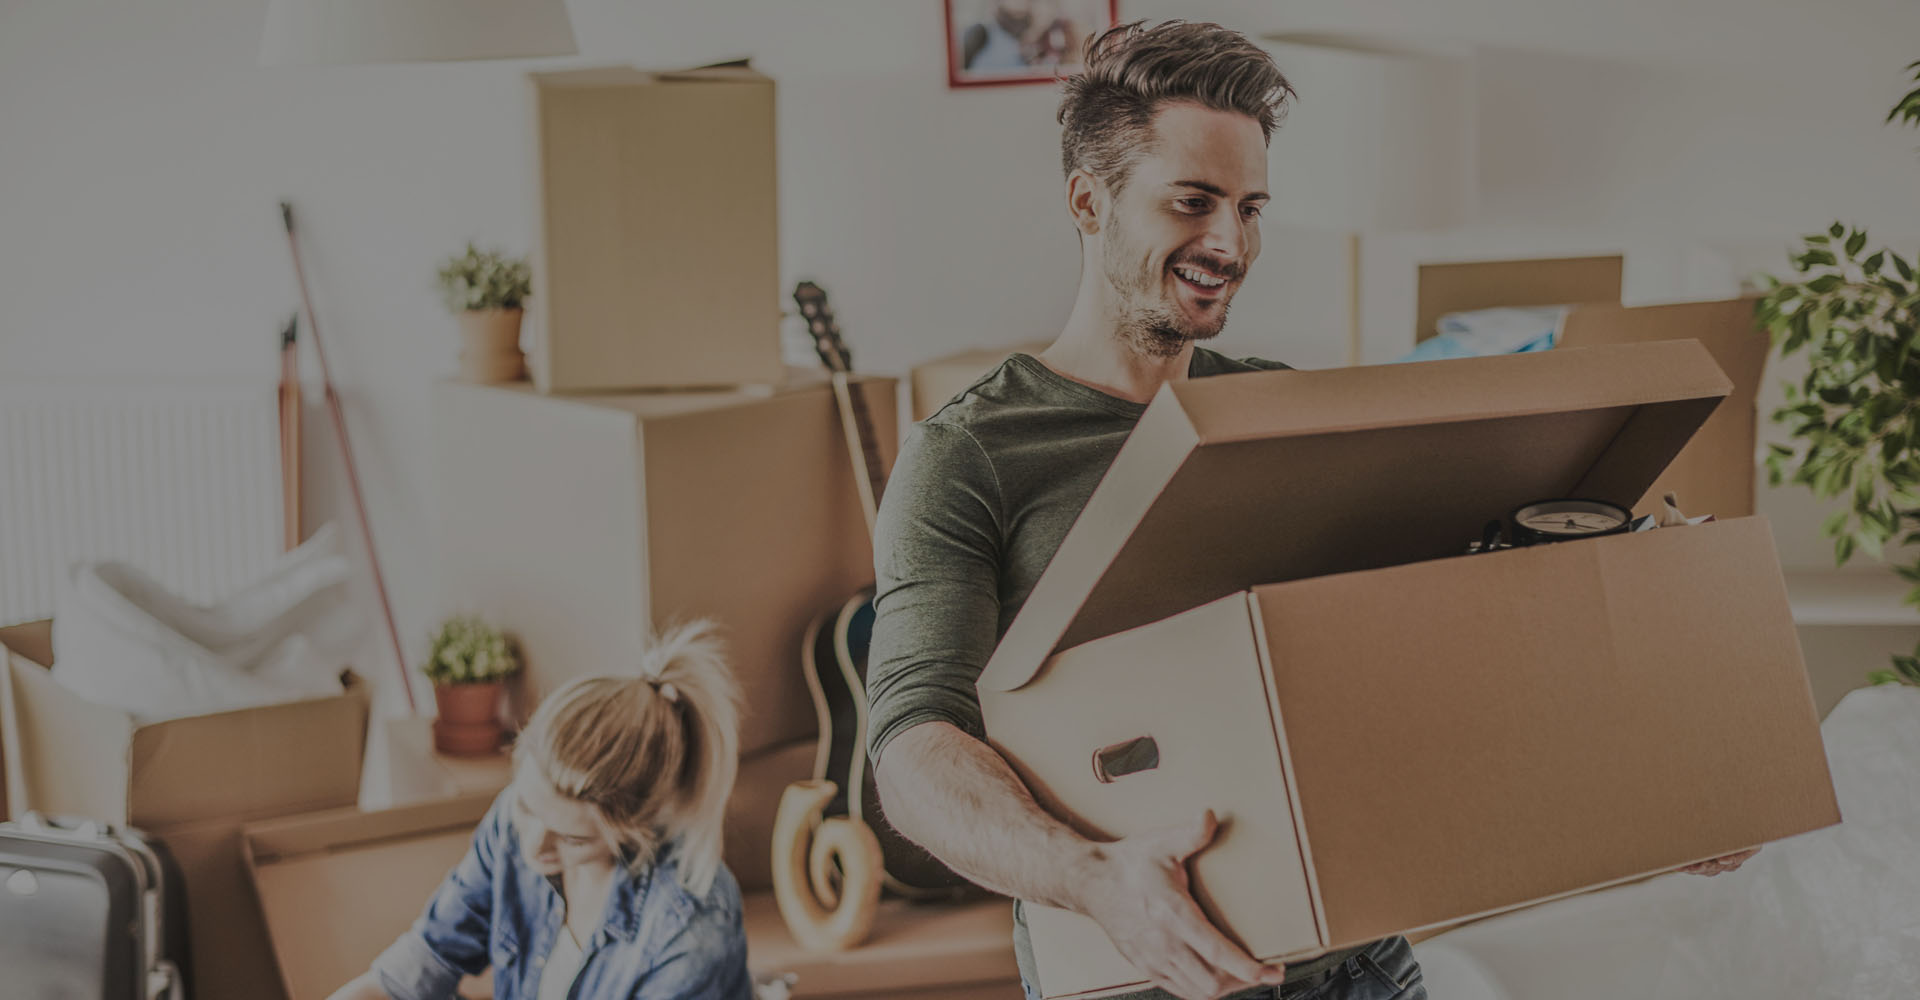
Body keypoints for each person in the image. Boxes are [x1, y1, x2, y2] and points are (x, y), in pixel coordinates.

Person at [866, 19, 1757, 1000]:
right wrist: (1092, 878)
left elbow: (1439, 649)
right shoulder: (972, 454)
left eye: (1250, 208)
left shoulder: (1274, 409)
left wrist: (1666, 777)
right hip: (1136, 974)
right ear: (1089, 200)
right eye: (1193, 202)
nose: (1230, 243)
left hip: (1358, 958)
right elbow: (911, 744)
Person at [326, 621, 753, 1000]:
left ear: (635, 830)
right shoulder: (513, 822)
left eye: (573, 839)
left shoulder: (688, 928)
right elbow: (423, 962)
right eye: (528, 807)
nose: (534, 847)